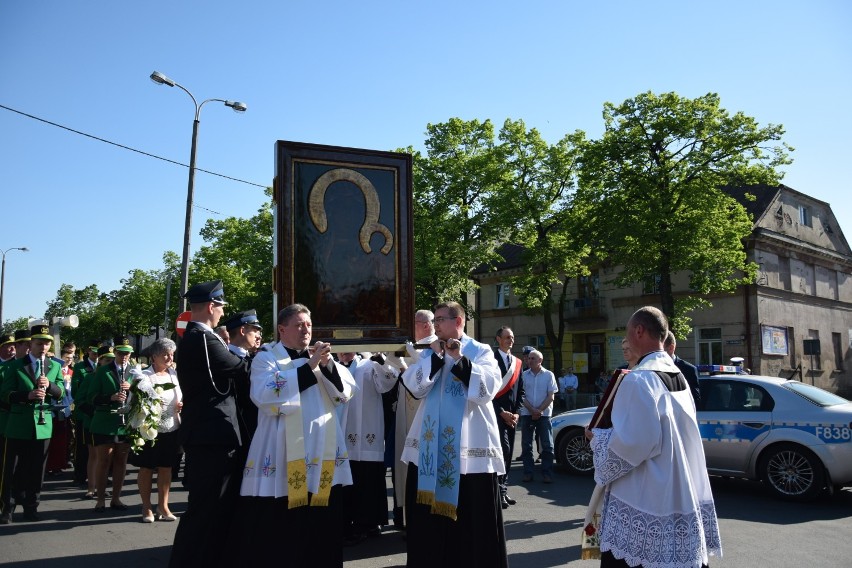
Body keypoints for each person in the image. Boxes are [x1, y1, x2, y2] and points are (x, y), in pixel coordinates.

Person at [588, 306, 722, 567]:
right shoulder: (678, 375)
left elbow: (633, 444)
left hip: (646, 496)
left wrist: (598, 439)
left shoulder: (639, 379)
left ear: (639, 330)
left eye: (628, 333)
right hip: (680, 492)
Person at [234, 303, 356, 567]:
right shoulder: (267, 357)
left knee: (321, 521)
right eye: (299, 325)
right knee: (284, 523)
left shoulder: (321, 357)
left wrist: (326, 366)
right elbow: (264, 395)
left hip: (322, 447)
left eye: (309, 325)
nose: (306, 330)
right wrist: (309, 366)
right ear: (282, 329)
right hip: (282, 450)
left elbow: (344, 393)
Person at [401, 301, 508, 568]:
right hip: (429, 448)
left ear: (458, 321)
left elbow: (486, 391)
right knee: (429, 523)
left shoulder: (480, 350)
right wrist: (437, 358)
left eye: (439, 320)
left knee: (470, 520)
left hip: (468, 451)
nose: (435, 325)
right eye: (434, 320)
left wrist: (459, 359)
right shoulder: (429, 352)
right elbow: (414, 386)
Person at [169, 280, 250, 568]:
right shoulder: (203, 339)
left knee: (211, 509)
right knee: (206, 510)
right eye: (220, 308)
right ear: (212, 307)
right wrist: (246, 352)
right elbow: (239, 370)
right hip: (211, 434)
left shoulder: (202, 338)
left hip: (210, 433)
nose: (221, 314)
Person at [0, 323, 65, 523]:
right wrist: (26, 395)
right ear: (31, 344)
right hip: (18, 424)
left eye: (47, 343)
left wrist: (50, 386)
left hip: (42, 425)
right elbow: (5, 393)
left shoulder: (55, 366)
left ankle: (31, 507)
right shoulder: (14, 365)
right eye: (39, 343)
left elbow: (61, 392)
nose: (43, 347)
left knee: (36, 470)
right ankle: (7, 508)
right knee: (11, 469)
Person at [338, 351, 398, 545]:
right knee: (345, 481)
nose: (344, 352)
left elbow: (386, 384)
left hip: (366, 431)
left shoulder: (368, 365)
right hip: (340, 430)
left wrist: (381, 363)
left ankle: (368, 522)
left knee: (367, 477)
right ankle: (345, 522)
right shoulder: (329, 364)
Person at [392, 309, 437, 531]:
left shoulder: (433, 347)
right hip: (404, 409)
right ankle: (404, 513)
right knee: (403, 461)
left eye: (415, 323)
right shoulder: (411, 345)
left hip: (423, 413)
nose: (411, 327)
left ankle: (418, 519)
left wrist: (410, 358)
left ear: (427, 325)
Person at [133, 338, 183, 524]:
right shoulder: (143, 376)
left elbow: (181, 395)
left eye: (172, 354)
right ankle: (146, 506)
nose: (170, 358)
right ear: (154, 356)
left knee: (166, 468)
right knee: (146, 468)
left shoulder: (175, 375)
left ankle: (163, 506)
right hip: (149, 429)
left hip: (172, 427)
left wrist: (181, 405)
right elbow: (134, 401)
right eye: (165, 354)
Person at [87, 336, 134, 512]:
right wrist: (110, 398)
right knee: (104, 460)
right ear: (115, 353)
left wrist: (132, 390)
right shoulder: (103, 371)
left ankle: (116, 498)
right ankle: (100, 499)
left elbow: (144, 396)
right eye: (121, 353)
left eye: (127, 354)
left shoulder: (135, 372)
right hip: (105, 421)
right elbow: (91, 397)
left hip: (125, 422)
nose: (124, 357)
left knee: (121, 460)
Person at [492, 326, 523, 510]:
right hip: (496, 414)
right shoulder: (491, 360)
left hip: (512, 416)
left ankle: (504, 489)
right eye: (506, 337)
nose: (510, 340)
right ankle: (497, 491)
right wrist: (502, 412)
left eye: (512, 337)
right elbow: (487, 392)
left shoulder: (517, 362)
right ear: (498, 339)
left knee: (509, 453)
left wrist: (517, 412)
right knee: (502, 451)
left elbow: (522, 391)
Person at [222, 309, 263, 440]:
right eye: (255, 330)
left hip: (254, 429)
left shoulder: (251, 358)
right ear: (242, 331)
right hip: (234, 431)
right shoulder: (226, 360)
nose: (258, 336)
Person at [519, 349, 557, 483]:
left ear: (540, 360)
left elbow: (551, 396)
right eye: (528, 358)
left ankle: (547, 473)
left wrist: (539, 410)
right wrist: (532, 410)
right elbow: (521, 396)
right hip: (527, 414)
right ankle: (528, 472)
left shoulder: (548, 375)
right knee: (526, 445)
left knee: (547, 445)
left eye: (532, 358)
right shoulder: (523, 375)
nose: (529, 361)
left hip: (544, 415)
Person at [71, 340, 100, 497]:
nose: (96, 355)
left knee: (99, 450)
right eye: (94, 352)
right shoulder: (80, 367)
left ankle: (97, 477)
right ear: (88, 351)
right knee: (82, 448)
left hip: (101, 416)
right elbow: (76, 390)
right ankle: (79, 475)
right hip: (85, 413)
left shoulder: (104, 368)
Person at [45, 343, 75, 475]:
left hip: (65, 408)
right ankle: (49, 465)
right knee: (51, 438)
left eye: (71, 357)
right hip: (52, 407)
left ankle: (59, 464)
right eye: (66, 357)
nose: (68, 360)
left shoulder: (71, 372)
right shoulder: (54, 368)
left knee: (63, 438)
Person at [664, 330, 702, 407]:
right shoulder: (651, 369)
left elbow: (694, 401)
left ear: (671, 348)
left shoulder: (688, 370)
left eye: (659, 350)